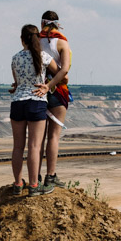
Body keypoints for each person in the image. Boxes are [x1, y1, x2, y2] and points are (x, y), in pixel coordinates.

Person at [9, 24, 58, 194]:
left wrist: (16, 87)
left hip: (17, 102)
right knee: (35, 146)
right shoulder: (43, 56)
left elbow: (16, 82)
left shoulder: (15, 58)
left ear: (22, 39)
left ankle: (17, 183)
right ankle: (33, 185)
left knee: (17, 147)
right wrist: (48, 85)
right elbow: (60, 73)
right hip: (36, 101)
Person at [38, 10, 72, 192]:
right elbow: (64, 69)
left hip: (37, 90)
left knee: (38, 139)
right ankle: (51, 175)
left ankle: (35, 176)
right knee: (53, 136)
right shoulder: (62, 41)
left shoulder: (35, 41)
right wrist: (53, 82)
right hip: (57, 91)